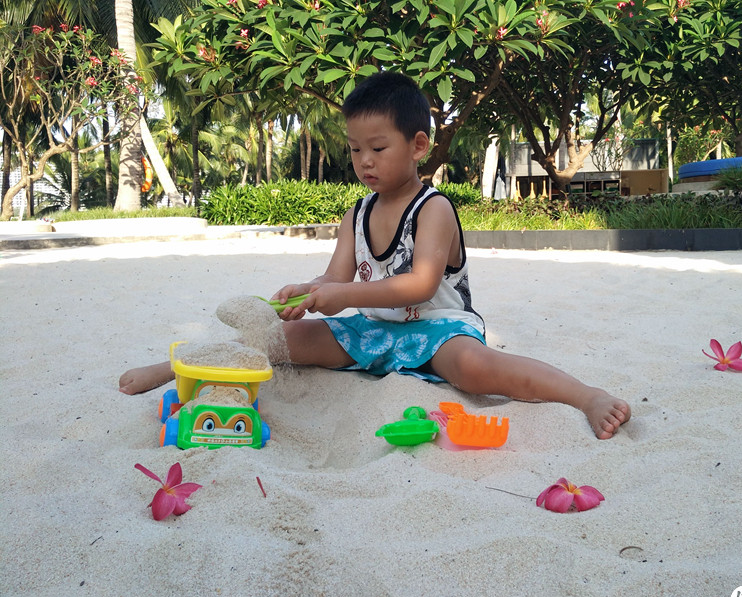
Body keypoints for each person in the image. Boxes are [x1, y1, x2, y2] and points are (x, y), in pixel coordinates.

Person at [119, 72, 630, 439]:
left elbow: (419, 286)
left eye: (378, 148)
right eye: (355, 148)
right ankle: (176, 368)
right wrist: (310, 291)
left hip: (439, 330)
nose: (364, 160)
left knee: (476, 368)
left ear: (418, 145)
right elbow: (335, 278)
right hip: (370, 330)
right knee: (282, 335)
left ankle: (585, 395)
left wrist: (341, 294)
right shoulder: (356, 214)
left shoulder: (434, 209)